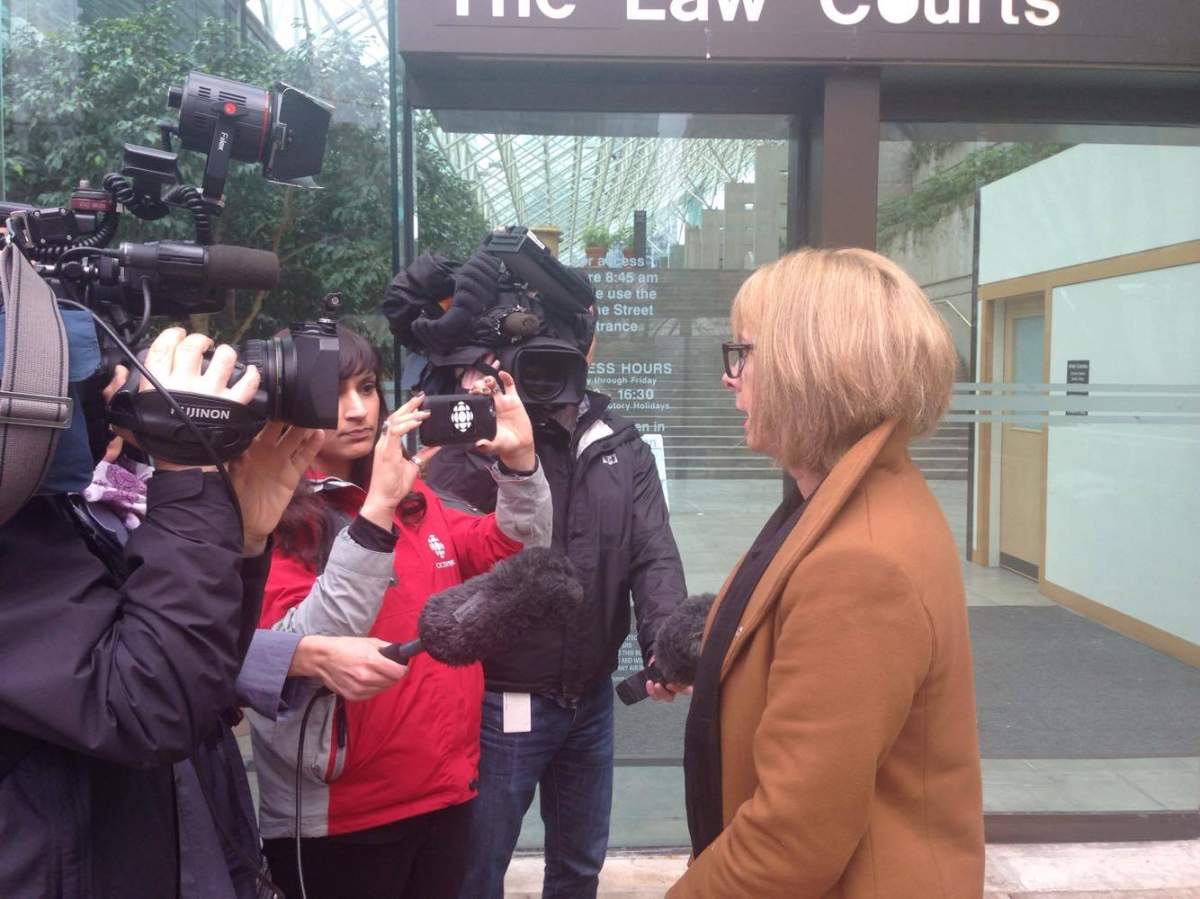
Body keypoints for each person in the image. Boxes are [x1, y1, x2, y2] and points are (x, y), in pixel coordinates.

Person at [668, 247, 985, 899]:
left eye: (744, 353)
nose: (731, 377)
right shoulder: (856, 493)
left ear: (807, 368)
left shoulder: (859, 560)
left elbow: (787, 844)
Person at [0, 326, 327, 898]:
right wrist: (188, 472)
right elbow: (146, 704)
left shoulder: (59, 509)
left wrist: (243, 543)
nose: (113, 388)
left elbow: (196, 682)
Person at [248, 326, 551, 899]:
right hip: (343, 815)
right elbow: (306, 644)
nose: (358, 410)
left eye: (366, 387)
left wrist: (520, 468)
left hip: (446, 789)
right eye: (334, 393)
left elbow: (515, 555)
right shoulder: (268, 513)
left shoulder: (414, 492)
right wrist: (377, 509)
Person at [80, 431, 411, 899]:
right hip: (151, 814)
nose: (355, 410)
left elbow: (209, 645)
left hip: (219, 794)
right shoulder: (85, 516)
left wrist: (249, 539)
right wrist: (299, 653)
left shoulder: (141, 495)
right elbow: (149, 672)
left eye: (367, 388)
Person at [426, 349, 688, 899]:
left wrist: (666, 641)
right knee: (475, 870)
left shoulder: (616, 437)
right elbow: (453, 550)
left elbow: (653, 552)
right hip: (501, 697)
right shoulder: (477, 429)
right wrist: (485, 422)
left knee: (579, 867)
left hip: (588, 696)